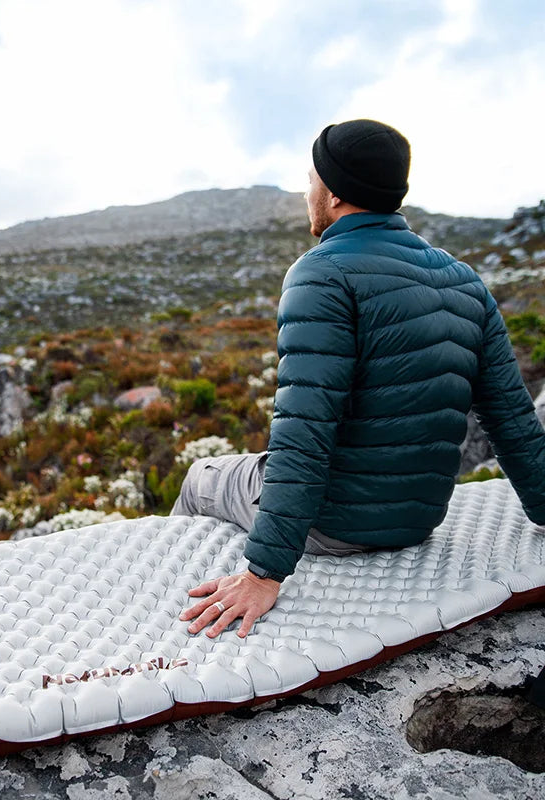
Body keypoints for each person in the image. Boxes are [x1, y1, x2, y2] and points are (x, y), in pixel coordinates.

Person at [174, 118, 545, 639]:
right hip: (418, 523)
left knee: (200, 476)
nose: (307, 193)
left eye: (311, 182)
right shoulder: (465, 281)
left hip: (335, 527)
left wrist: (264, 574)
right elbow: (511, 419)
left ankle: (168, 607)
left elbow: (304, 434)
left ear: (336, 194)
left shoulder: (322, 272)